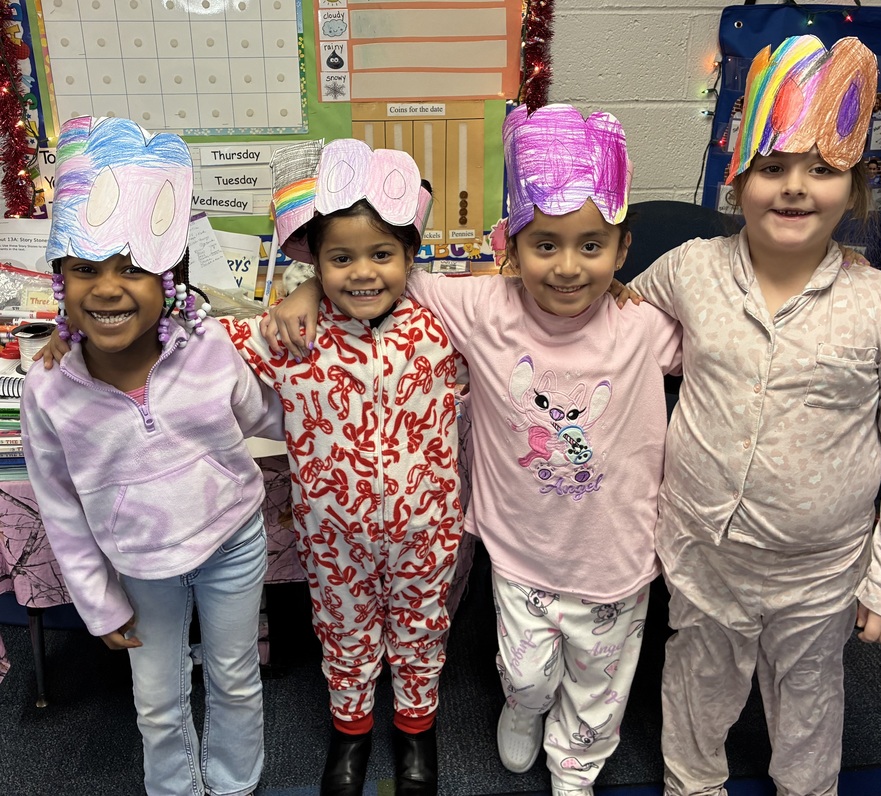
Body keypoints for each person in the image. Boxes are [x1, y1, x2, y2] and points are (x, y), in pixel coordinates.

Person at [262, 104, 684, 796]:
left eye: (591, 246)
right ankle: (524, 708)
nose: (569, 267)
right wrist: (310, 281)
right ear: (509, 248)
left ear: (623, 248)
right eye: (545, 245)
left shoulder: (641, 327)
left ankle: (575, 767)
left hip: (618, 553)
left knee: (600, 682)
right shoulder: (485, 306)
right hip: (519, 552)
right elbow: (377, 271)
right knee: (525, 673)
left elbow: (716, 337)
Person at [625, 36, 881, 795]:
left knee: (808, 695)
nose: (795, 188)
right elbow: (613, 322)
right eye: (773, 168)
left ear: (855, 185)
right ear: (741, 181)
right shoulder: (691, 269)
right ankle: (692, 783)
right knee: (699, 683)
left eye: (822, 170)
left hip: (821, 569)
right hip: (703, 549)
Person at [21, 116, 284, 796]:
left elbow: (262, 416)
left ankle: (233, 784)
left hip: (232, 543)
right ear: (61, 283)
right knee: (158, 702)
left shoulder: (210, 349)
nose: (107, 289)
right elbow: (60, 508)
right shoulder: (50, 390)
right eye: (85, 270)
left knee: (234, 678)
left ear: (169, 280)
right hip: (140, 566)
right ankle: (175, 789)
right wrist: (100, 603)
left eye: (133, 269)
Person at [223, 138, 467, 796]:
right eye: (340, 258)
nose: (363, 272)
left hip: (426, 530)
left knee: (421, 628)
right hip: (333, 540)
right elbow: (197, 348)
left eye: (382, 254)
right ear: (315, 261)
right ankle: (351, 729)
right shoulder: (294, 334)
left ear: (411, 256)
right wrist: (76, 343)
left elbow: (528, 312)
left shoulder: (442, 327)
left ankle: (417, 729)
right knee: (344, 631)